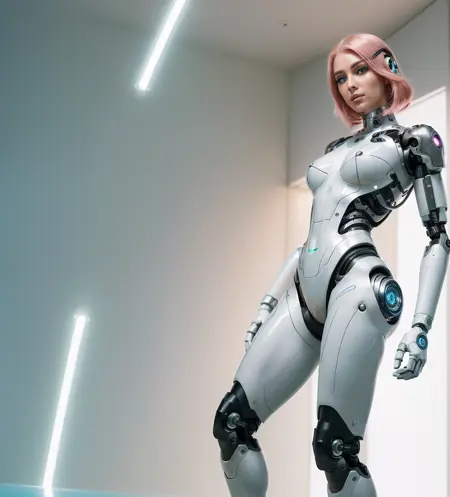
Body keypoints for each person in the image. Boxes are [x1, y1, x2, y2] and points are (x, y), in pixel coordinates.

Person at [212, 33, 449, 497]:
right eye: (341, 78)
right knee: (232, 421)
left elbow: (438, 237)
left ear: (386, 68)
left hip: (357, 285)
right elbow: (310, 240)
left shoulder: (413, 141)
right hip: (306, 287)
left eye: (360, 70)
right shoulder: (337, 145)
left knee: (334, 448)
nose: (351, 85)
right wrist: (267, 303)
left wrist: (421, 328)